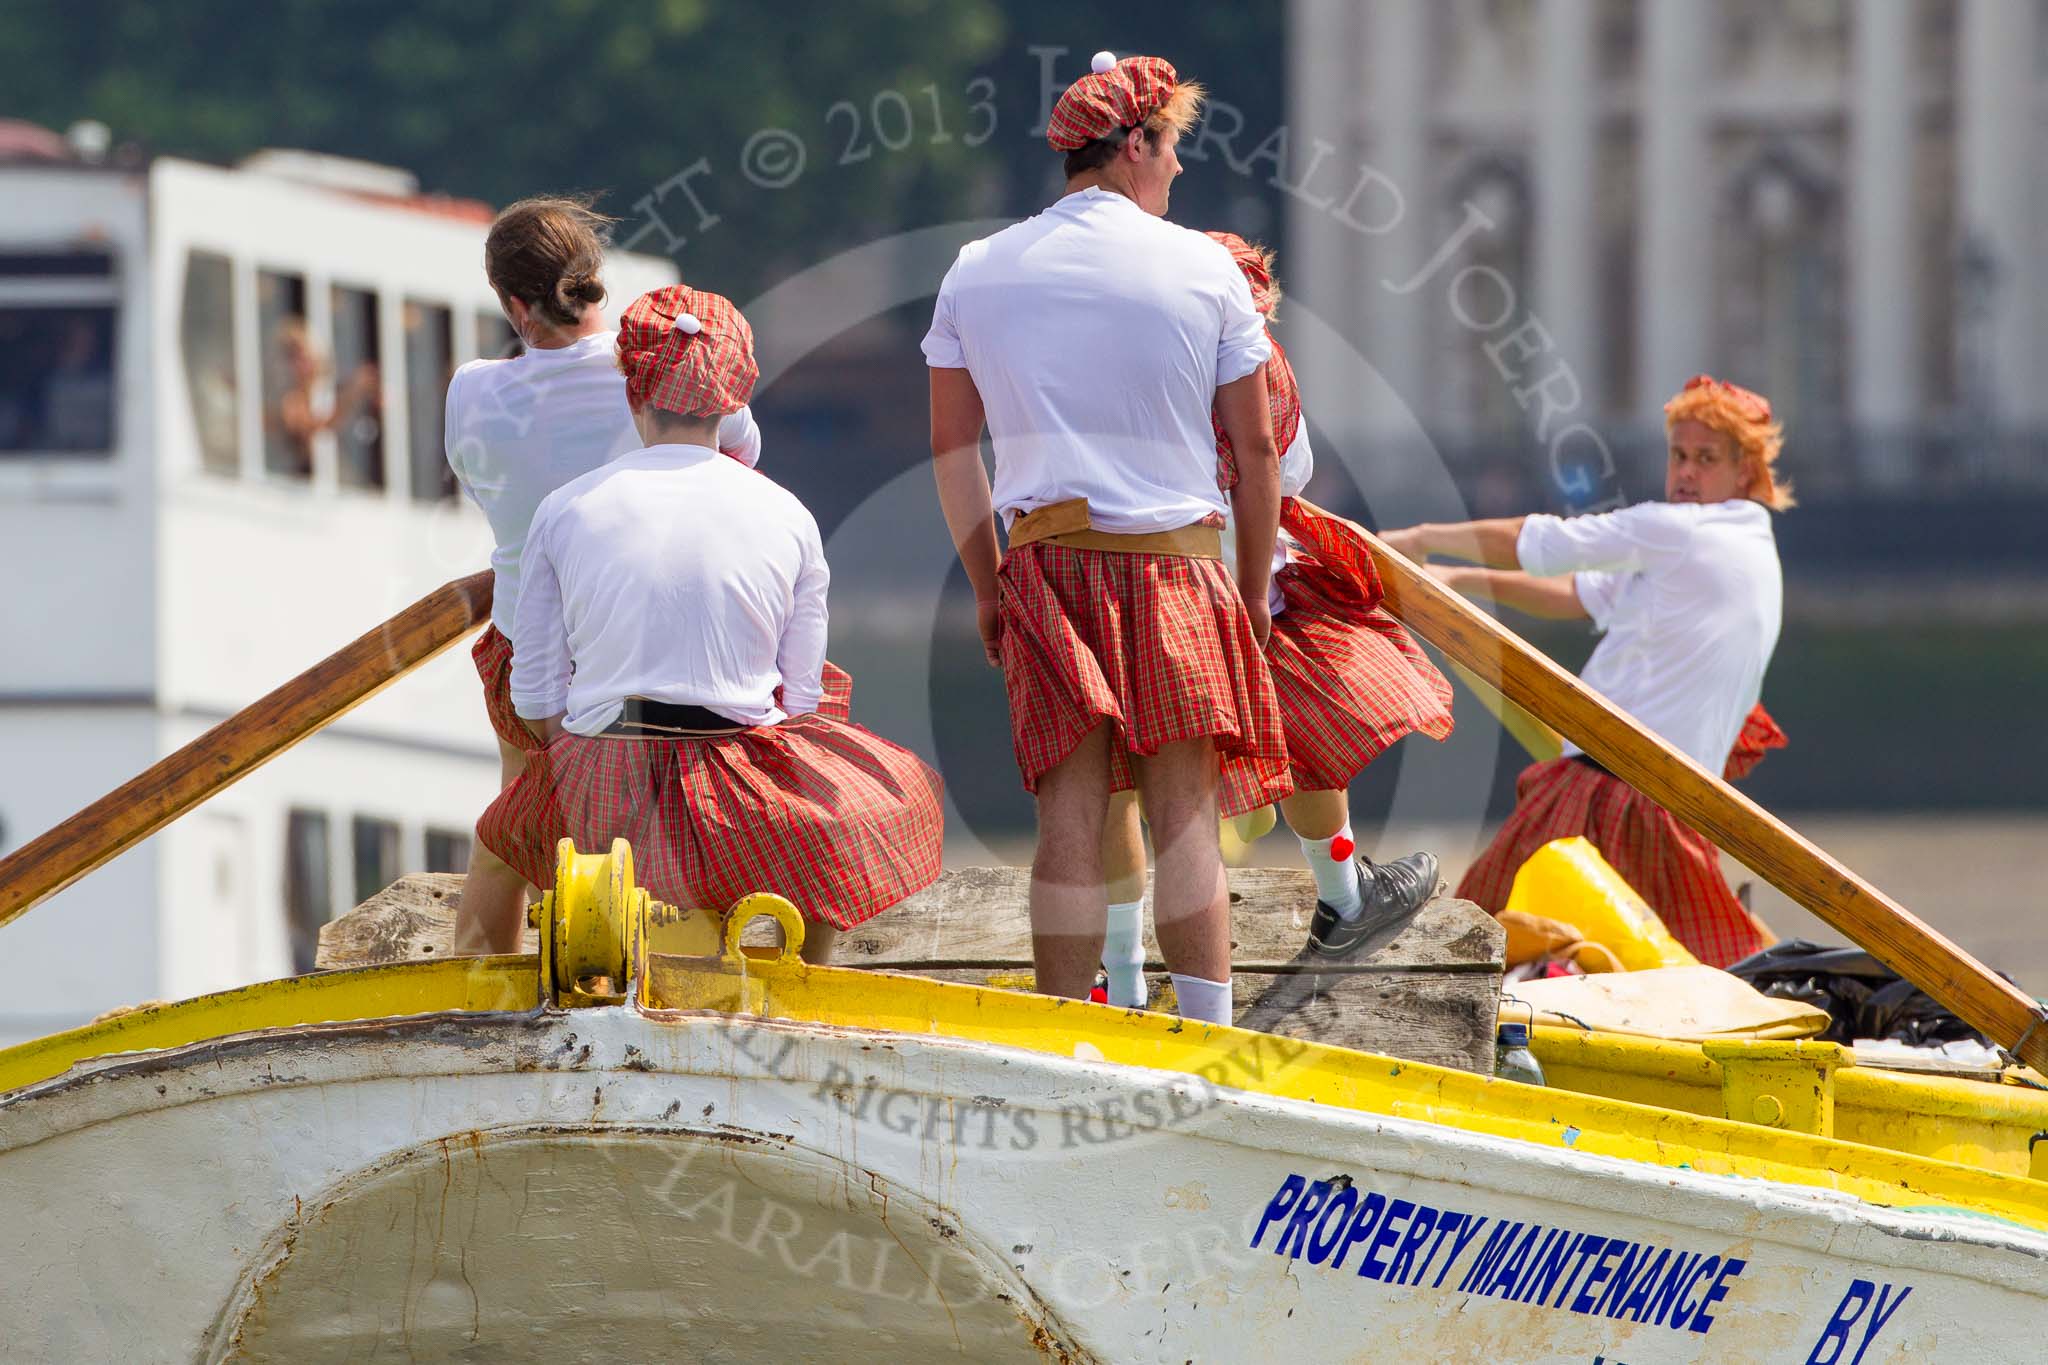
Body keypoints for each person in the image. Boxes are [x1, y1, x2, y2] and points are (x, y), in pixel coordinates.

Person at [923, 51, 1289, 1026]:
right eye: (1170, 148)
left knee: (1070, 815)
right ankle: (1206, 1037)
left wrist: (989, 583)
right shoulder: (1207, 267)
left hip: (1044, 567)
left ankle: (1058, 1043)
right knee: (1183, 819)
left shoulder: (975, 270)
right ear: (1134, 143)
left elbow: (953, 450)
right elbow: (1254, 453)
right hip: (1178, 568)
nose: (1175, 171)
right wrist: (1250, 596)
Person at [475, 286, 944, 959]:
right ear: (731, 403)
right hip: (737, 788)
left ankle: (503, 1010)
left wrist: (575, 767)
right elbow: (804, 703)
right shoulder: (789, 515)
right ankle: (802, 985)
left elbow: (536, 697)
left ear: (633, 394)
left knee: (500, 843)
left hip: (604, 776)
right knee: (840, 818)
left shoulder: (565, 507)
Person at [1095, 233, 1451, 1005]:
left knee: (1112, 773)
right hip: (1228, 587)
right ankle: (1345, 896)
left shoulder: (1127, 352)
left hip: (1116, 581)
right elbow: (1284, 472)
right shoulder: (1266, 364)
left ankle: (1120, 979)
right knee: (1306, 728)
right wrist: (1253, 588)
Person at [1381, 374, 1792, 966]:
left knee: (1471, 942)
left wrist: (1419, 540)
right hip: (1682, 808)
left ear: (1746, 473)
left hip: (1611, 791)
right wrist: (1457, 582)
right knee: (1675, 968)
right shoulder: (1741, 545)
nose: (1686, 474)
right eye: (1679, 455)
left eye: (1706, 460)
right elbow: (1579, 593)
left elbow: (1546, 544)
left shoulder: (1681, 531)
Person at [446, 196, 763, 952]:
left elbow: (484, 486)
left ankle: (476, 1000)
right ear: (595, 279)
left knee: (517, 819)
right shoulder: (661, 367)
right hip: (663, 635)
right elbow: (738, 457)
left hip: (531, 640)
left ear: (515, 305)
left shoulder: (474, 392)